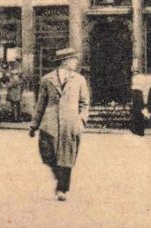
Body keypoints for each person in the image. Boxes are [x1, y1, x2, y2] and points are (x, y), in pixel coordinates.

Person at [30, 45, 89, 201]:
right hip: (49, 123)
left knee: (67, 157)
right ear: (66, 61)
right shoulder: (47, 79)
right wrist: (34, 125)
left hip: (70, 123)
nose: (76, 62)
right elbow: (40, 104)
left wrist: (81, 120)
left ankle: (62, 188)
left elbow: (84, 103)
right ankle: (59, 176)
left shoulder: (79, 80)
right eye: (74, 59)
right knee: (48, 154)